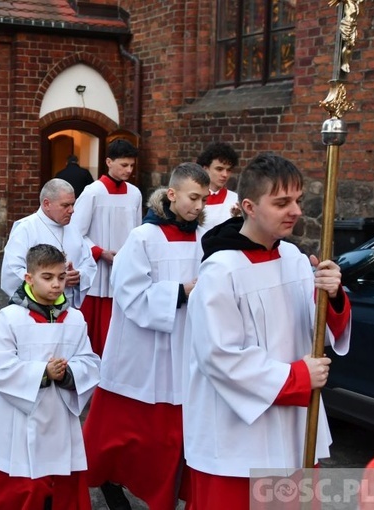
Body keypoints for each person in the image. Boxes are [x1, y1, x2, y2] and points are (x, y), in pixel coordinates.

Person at [182, 153, 351, 510]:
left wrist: (332, 295)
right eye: (281, 202)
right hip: (238, 436)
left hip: (293, 426)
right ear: (249, 206)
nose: (296, 211)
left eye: (298, 201)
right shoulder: (221, 272)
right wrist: (296, 376)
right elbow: (219, 356)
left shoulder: (293, 258)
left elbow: (317, 325)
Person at [82, 162, 211, 510]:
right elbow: (130, 294)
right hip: (143, 349)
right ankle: (106, 477)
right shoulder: (143, 238)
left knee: (171, 437)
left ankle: (164, 493)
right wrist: (180, 292)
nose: (198, 207)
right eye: (193, 198)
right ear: (172, 195)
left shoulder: (203, 238)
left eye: (204, 199)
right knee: (123, 431)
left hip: (186, 344)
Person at [0, 244, 101, 510]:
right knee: (17, 484)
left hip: (58, 417)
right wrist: (43, 373)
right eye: (47, 278)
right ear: (29, 279)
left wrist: (68, 373)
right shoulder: (11, 317)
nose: (56, 285)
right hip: (16, 419)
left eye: (61, 277)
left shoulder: (76, 319)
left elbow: (89, 362)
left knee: (59, 481)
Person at [70, 139, 142, 356]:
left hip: (124, 269)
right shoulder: (93, 192)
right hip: (98, 273)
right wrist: (99, 252)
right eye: (124, 165)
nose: (128, 170)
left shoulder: (135, 193)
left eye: (131, 165)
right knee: (95, 331)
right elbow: (75, 233)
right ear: (109, 162)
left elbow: (138, 233)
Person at [1, 178, 96, 309]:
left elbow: (89, 263)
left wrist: (79, 275)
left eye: (73, 204)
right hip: (36, 309)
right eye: (65, 205)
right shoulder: (26, 228)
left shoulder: (73, 228)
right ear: (46, 204)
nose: (72, 210)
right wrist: (56, 280)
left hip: (69, 307)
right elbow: (12, 271)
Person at [196, 141, 240, 231]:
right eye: (219, 169)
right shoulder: (193, 198)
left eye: (229, 170)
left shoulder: (236, 200)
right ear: (205, 169)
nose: (225, 174)